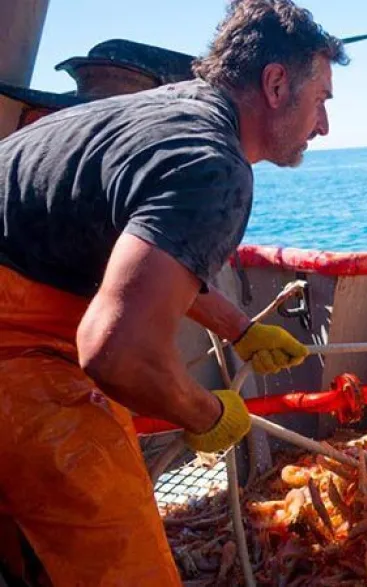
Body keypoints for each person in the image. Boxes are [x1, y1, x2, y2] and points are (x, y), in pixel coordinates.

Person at [0, 1, 349, 584]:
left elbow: (142, 262)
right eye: (321, 102)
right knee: (126, 561)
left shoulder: (169, 114)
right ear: (275, 82)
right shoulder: (212, 167)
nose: (324, 126)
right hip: (17, 352)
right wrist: (206, 411)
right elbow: (115, 352)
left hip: (26, 306)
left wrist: (238, 327)